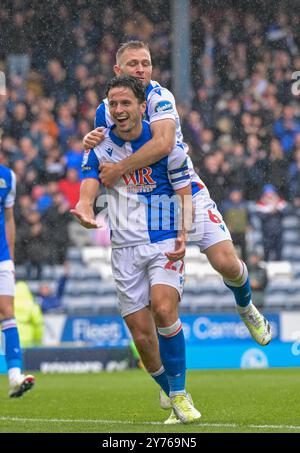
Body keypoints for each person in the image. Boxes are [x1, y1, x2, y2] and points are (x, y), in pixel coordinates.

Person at [83, 40, 272, 348]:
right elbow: (102, 152)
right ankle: (171, 379)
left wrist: (119, 170)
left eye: (146, 63)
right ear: (119, 70)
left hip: (184, 187)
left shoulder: (160, 97)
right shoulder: (106, 109)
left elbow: (164, 144)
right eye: (133, 64)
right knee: (160, 301)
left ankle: (246, 306)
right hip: (146, 200)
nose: (141, 69)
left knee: (226, 262)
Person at [72, 75, 201, 424]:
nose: (119, 110)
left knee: (163, 308)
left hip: (162, 241)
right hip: (124, 247)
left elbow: (184, 190)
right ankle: (173, 391)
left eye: (126, 103)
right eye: (113, 104)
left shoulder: (165, 145)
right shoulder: (98, 147)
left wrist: (183, 233)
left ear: (142, 107)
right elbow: (88, 187)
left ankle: (178, 392)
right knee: (143, 339)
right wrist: (85, 209)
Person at [0, 163, 35, 397]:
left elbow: (9, 219)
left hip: (1, 257)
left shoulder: (7, 177)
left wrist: (10, 259)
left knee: (6, 311)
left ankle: (15, 376)